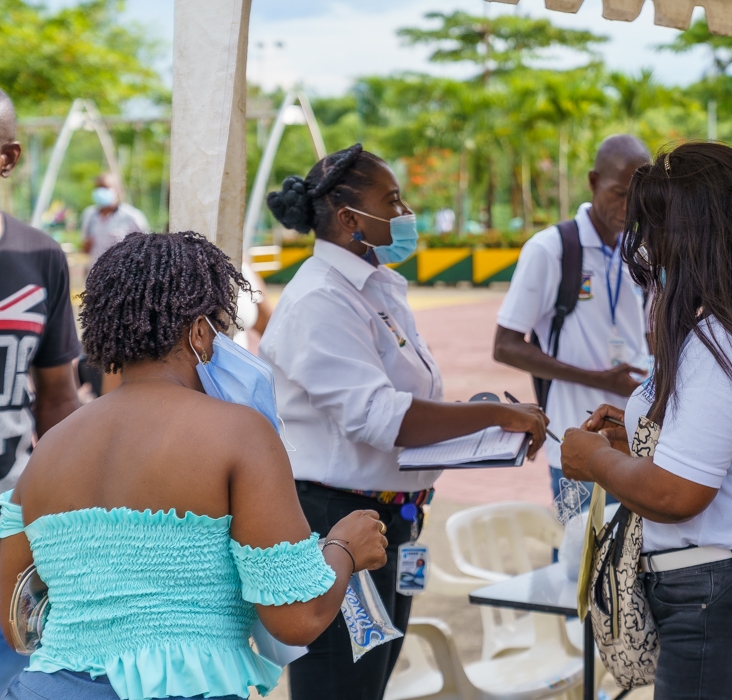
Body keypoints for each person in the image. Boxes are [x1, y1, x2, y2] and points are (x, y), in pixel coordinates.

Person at [0, 230, 389, 700]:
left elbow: (15, 617)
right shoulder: (240, 434)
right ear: (200, 332)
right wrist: (346, 548)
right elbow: (295, 618)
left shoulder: (51, 448)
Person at [260, 144, 548, 700]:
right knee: (342, 686)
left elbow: (406, 401)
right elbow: (380, 417)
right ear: (349, 220)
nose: (405, 212)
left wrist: (478, 424)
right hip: (336, 523)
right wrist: (492, 412)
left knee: (370, 681)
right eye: (392, 201)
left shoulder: (374, 288)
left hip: (391, 519)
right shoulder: (321, 299)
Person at [560, 142, 732, 700]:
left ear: (696, 236)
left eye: (657, 229)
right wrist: (648, 441)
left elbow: (677, 495)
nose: (647, 246)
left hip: (729, 599)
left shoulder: (722, 343)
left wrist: (593, 458)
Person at [493, 134, 651, 507]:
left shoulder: (640, 252)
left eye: (638, 196)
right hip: (578, 442)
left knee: (632, 558)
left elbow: (645, 334)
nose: (629, 206)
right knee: (577, 552)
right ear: (594, 181)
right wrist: (600, 380)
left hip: (635, 437)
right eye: (618, 193)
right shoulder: (551, 250)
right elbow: (505, 346)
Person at [0, 89, 81, 692]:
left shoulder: (41, 256)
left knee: (17, 671)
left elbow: (57, 396)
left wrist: (69, 508)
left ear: (9, 157)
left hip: (12, 515)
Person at [80, 173, 148, 268]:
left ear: (118, 190)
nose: (100, 191)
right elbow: (84, 248)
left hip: (120, 277)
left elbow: (145, 250)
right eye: (97, 187)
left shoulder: (132, 217)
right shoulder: (89, 214)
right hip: (94, 274)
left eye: (105, 187)